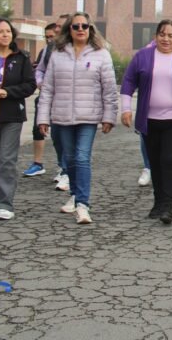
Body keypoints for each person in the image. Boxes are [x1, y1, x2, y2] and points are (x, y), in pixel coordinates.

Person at [37, 12, 118, 225]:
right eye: (76, 26)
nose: (81, 29)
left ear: (91, 29)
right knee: (70, 159)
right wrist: (42, 118)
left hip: (88, 117)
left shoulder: (101, 54)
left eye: (85, 26)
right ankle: (75, 193)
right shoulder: (58, 53)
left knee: (82, 157)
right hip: (61, 117)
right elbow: (47, 89)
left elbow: (109, 89)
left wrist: (109, 116)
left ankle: (83, 205)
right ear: (69, 30)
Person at [120, 20, 172, 225]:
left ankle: (168, 206)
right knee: (155, 162)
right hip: (149, 120)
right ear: (156, 36)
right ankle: (158, 202)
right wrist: (126, 108)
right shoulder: (143, 56)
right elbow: (129, 81)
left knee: (169, 160)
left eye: (171, 35)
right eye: (162, 34)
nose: (166, 39)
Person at [0, 18, 37, 220]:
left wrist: (7, 92)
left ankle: (6, 204)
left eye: (8, 31)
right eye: (0, 31)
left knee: (6, 160)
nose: (5, 34)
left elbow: (29, 85)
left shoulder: (21, 58)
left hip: (12, 116)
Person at [33, 14, 71, 191]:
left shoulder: (79, 48)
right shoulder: (50, 48)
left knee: (69, 138)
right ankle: (62, 166)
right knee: (56, 137)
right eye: (56, 26)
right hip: (51, 99)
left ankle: (67, 171)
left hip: (70, 101)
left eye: (60, 26)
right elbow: (39, 69)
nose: (56, 29)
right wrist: (41, 82)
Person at [22, 22, 57, 178]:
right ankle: (37, 163)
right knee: (38, 128)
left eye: (52, 36)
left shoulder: (68, 50)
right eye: (47, 37)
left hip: (63, 98)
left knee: (60, 133)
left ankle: (63, 167)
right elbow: (38, 70)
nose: (49, 39)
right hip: (45, 96)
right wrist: (40, 83)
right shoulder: (45, 51)